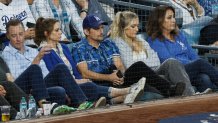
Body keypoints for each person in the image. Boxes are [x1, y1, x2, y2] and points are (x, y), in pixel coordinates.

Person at [35, 17, 145, 104]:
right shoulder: (44, 52)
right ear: (46, 33)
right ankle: (127, 91)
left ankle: (119, 98)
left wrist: (81, 79)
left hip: (77, 82)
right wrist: (79, 81)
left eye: (60, 29)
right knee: (89, 85)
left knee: (88, 84)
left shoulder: (63, 47)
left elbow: (75, 71)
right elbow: (55, 76)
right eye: (57, 30)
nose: (60, 32)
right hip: (64, 85)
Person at [1, 19, 106, 109]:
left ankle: (82, 104)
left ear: (25, 33)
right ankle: (51, 106)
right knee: (36, 70)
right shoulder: (6, 54)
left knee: (83, 83)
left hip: (41, 86)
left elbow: (46, 74)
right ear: (8, 36)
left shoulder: (32, 50)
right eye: (14, 36)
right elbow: (19, 79)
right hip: (24, 90)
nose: (18, 39)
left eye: (20, 34)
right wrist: (37, 59)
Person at [72, 14, 185, 98]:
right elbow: (84, 73)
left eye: (102, 27)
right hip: (99, 84)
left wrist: (119, 76)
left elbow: (119, 64)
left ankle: (169, 89)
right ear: (86, 32)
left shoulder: (108, 43)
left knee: (138, 66)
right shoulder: (79, 48)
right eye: (97, 28)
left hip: (116, 80)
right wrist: (109, 77)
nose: (101, 31)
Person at [110, 11, 195, 96]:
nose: (137, 29)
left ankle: (191, 95)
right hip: (134, 76)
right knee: (140, 65)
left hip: (153, 72)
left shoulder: (141, 40)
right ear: (123, 28)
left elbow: (156, 61)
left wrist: (145, 65)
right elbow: (130, 65)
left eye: (137, 26)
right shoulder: (118, 42)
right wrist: (145, 62)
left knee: (172, 62)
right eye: (133, 26)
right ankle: (170, 90)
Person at [147, 5, 217, 92]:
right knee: (200, 63)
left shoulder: (179, 35)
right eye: (169, 18)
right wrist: (194, 65)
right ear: (159, 21)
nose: (173, 20)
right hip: (176, 72)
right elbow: (169, 60)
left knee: (203, 78)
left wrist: (194, 66)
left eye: (173, 17)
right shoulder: (155, 40)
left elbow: (192, 54)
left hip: (191, 69)